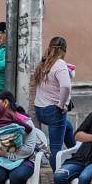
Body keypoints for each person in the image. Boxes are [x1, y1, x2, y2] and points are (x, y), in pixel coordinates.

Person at [31, 35, 75, 166]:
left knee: (68, 128)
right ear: (64, 49)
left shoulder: (44, 63)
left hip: (40, 109)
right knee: (55, 147)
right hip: (54, 110)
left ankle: (77, 155)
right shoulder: (60, 64)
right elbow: (65, 86)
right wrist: (62, 104)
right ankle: (58, 175)